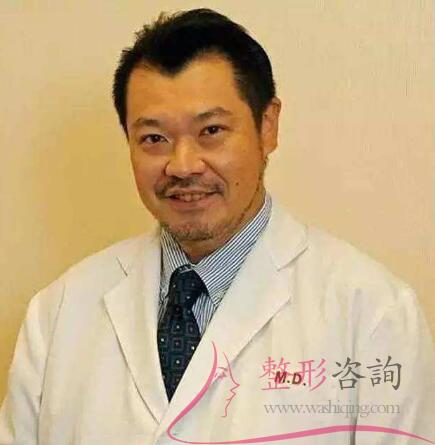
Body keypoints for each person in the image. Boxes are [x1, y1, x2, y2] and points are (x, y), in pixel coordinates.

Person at [0, 8, 433, 445]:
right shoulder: (59, 313)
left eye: (211, 130)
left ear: (267, 126)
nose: (183, 165)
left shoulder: (373, 314)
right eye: (154, 138)